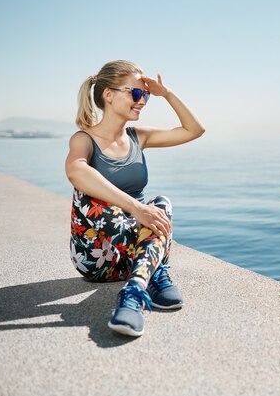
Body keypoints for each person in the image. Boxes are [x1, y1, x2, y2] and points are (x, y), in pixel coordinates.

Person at [65, 60, 205, 337]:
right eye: (137, 93)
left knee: (161, 204)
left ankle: (135, 291)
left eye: (146, 95)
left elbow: (194, 130)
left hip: (134, 259)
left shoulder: (138, 137)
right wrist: (135, 208)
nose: (143, 101)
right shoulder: (83, 139)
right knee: (89, 195)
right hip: (97, 258)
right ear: (109, 94)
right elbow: (75, 170)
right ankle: (157, 267)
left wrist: (167, 94)